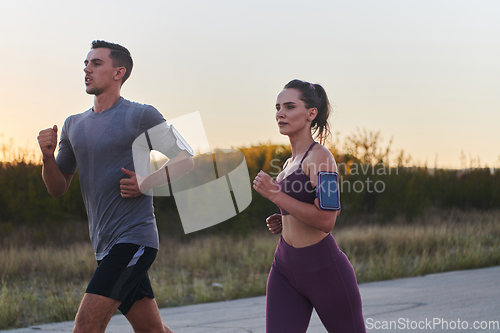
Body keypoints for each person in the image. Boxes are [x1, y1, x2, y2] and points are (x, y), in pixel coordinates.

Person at [37, 40, 194, 333]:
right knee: (152, 330)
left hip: (134, 239)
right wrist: (47, 159)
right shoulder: (73, 124)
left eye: (96, 63)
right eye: (86, 63)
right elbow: (57, 188)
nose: (87, 69)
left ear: (118, 72)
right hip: (103, 245)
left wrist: (147, 181)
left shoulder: (140, 115)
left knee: (86, 326)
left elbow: (185, 158)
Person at [253, 79, 366, 333]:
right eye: (278, 107)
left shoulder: (321, 158)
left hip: (324, 271)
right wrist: (285, 219)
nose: (280, 113)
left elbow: (327, 220)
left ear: (311, 114)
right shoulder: (287, 164)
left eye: (290, 106)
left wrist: (276, 195)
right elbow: (301, 206)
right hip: (283, 269)